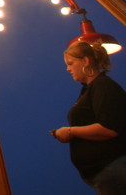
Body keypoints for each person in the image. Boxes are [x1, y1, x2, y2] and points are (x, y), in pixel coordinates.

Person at [52, 41, 126, 193]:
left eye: (71, 63)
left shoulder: (103, 86)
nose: (68, 69)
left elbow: (109, 128)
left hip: (114, 169)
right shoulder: (90, 90)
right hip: (108, 173)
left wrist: (70, 131)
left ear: (86, 61)